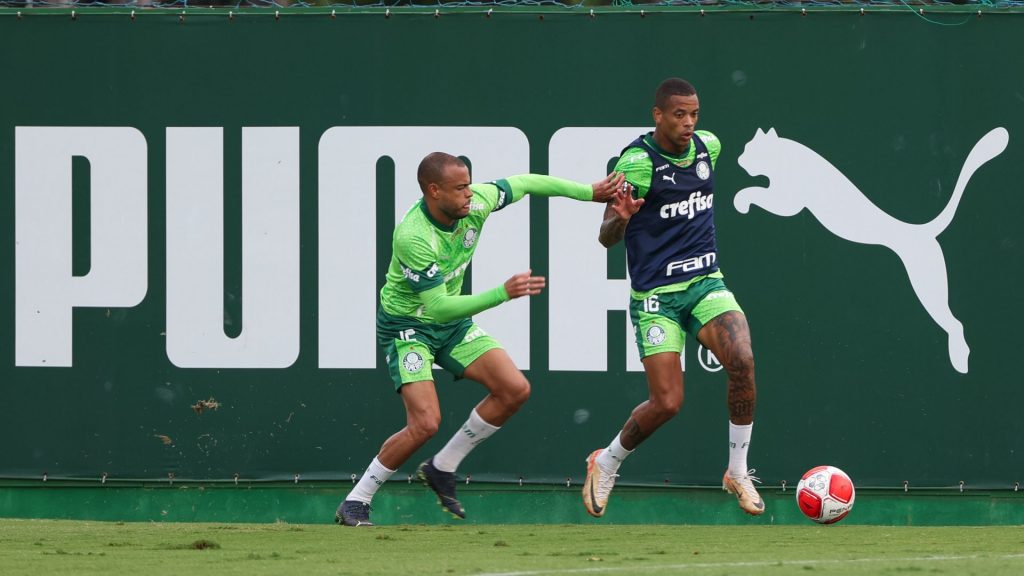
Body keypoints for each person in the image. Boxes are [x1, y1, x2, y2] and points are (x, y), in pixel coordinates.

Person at [336, 151, 625, 526]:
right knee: (425, 423)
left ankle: (443, 468)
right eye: (460, 188)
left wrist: (588, 192)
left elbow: (524, 183)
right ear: (433, 191)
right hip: (409, 327)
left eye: (470, 184)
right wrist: (502, 293)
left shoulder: (475, 203)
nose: (470, 194)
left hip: (450, 325)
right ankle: (357, 500)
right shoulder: (414, 236)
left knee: (514, 388)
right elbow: (437, 306)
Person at [582, 77, 764, 518]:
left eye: (694, 114)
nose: (688, 123)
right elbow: (606, 238)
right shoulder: (638, 164)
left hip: (706, 283)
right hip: (656, 296)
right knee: (668, 403)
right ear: (658, 115)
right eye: (679, 114)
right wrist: (621, 218)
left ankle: (737, 471)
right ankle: (605, 462)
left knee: (741, 357)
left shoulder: (709, 148)